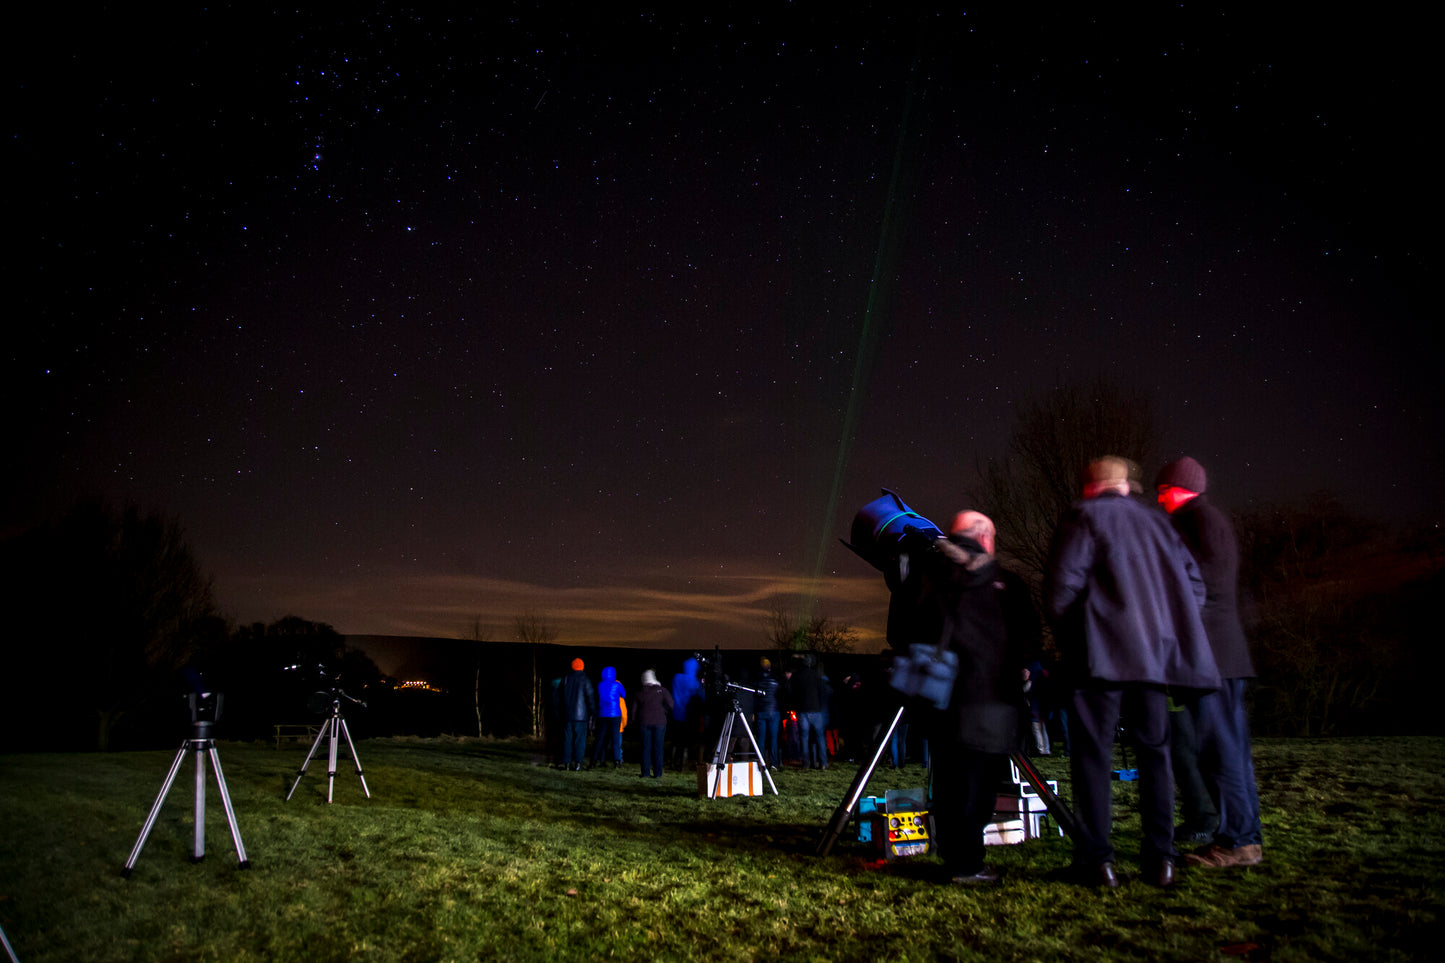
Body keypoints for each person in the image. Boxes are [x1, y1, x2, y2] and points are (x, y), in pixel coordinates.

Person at [1044, 456, 1221, 888]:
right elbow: (1195, 586)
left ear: (1090, 487)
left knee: (1093, 758)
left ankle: (1097, 862)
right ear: (1127, 487)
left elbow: (1062, 586)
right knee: (1155, 755)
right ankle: (1161, 860)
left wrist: (1076, 638)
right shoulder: (1159, 524)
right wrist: (1164, 629)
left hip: (1099, 658)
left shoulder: (1084, 516)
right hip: (1153, 660)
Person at [1156, 455, 1264, 868]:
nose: (1160, 499)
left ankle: (1238, 840)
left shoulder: (1197, 521)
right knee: (1230, 750)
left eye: (1162, 491)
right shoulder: (1206, 520)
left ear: (1175, 488)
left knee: (1220, 751)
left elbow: (1200, 585)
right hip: (1221, 655)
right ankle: (1240, 834)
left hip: (1211, 657)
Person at [925, 510, 1041, 885]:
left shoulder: (927, 575)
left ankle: (953, 856)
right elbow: (1029, 636)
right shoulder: (1005, 582)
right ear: (986, 538)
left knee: (948, 781)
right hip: (992, 698)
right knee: (979, 785)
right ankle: (969, 863)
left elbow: (904, 630)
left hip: (943, 698)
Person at [786, 653, 831, 770]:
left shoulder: (796, 676)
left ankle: (806, 763)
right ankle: (823, 763)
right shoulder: (817, 676)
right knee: (820, 737)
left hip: (802, 711)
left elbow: (791, 693)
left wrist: (796, 706)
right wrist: (820, 706)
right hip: (816, 710)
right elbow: (823, 692)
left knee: (804, 737)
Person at [554, 658, 597, 771]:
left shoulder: (566, 678)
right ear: (582, 667)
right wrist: (593, 712)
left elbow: (559, 697)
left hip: (567, 715)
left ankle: (567, 762)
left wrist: (559, 712)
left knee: (567, 740)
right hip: (581, 716)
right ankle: (578, 763)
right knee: (580, 740)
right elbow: (590, 697)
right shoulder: (585, 679)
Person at [633, 669, 674, 778]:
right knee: (658, 748)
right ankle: (658, 773)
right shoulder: (662, 690)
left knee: (646, 748)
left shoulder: (639, 693)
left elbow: (634, 710)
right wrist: (664, 712)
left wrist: (633, 721)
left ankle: (645, 772)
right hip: (660, 722)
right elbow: (671, 705)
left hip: (644, 722)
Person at [589, 666, 627, 770]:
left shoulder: (600, 685)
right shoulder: (617, 684)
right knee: (615, 739)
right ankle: (617, 762)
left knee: (599, 738)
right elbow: (623, 695)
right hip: (615, 714)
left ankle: (593, 761)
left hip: (602, 714)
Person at [670, 657, 704, 770]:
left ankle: (673, 761)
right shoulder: (695, 682)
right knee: (686, 742)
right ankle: (684, 764)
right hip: (689, 715)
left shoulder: (676, 678)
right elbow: (700, 697)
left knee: (676, 741)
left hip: (676, 713)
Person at [753, 658, 782, 769]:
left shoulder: (758, 680)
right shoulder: (775, 679)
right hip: (773, 711)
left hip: (761, 711)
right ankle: (774, 763)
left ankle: (761, 762)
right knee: (773, 738)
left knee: (761, 738)